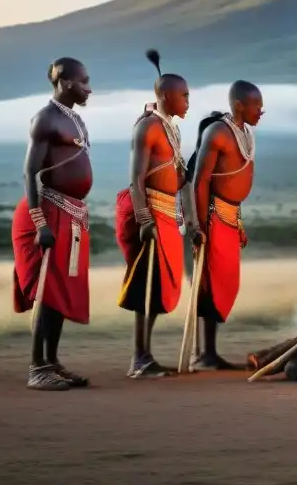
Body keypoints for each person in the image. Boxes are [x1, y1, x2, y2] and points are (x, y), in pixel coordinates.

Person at [11, 58, 94, 391]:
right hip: (46, 212)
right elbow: (30, 172)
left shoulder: (74, 119)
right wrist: (39, 221)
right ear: (66, 82)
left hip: (70, 213)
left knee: (59, 294)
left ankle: (51, 362)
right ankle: (36, 368)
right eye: (84, 81)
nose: (89, 87)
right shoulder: (46, 119)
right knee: (47, 292)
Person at [115, 50, 192, 378]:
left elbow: (179, 174)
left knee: (158, 287)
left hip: (165, 212)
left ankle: (144, 355)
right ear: (164, 96)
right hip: (145, 211)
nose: (188, 101)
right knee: (144, 285)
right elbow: (136, 178)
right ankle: (139, 358)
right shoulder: (147, 127)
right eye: (184, 96)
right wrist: (145, 220)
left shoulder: (171, 128)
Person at [186, 80, 264, 370]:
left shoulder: (245, 133)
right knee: (210, 284)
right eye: (257, 105)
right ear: (240, 105)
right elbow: (200, 180)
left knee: (226, 284)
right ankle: (204, 355)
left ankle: (209, 353)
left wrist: (238, 220)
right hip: (213, 216)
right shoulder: (218, 132)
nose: (261, 110)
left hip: (229, 216)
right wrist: (199, 225)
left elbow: (234, 182)